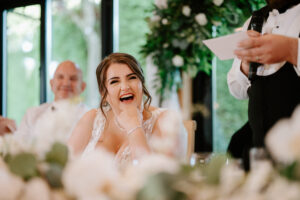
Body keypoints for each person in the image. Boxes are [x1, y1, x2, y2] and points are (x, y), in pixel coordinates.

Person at [68, 53, 187, 164]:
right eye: (114, 81)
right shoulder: (91, 119)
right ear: (104, 93)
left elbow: (157, 179)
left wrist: (134, 127)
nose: (125, 87)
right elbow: (62, 166)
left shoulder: (166, 120)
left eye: (132, 78)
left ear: (142, 83)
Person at [227, 0, 300, 161]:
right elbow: (237, 90)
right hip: (259, 154)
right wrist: (246, 64)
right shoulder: (254, 21)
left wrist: (292, 50)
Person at [18, 60, 88, 135]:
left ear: (83, 87)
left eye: (73, 79)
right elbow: (20, 143)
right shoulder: (32, 115)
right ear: (51, 84)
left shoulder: (89, 117)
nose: (66, 83)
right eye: (60, 77)